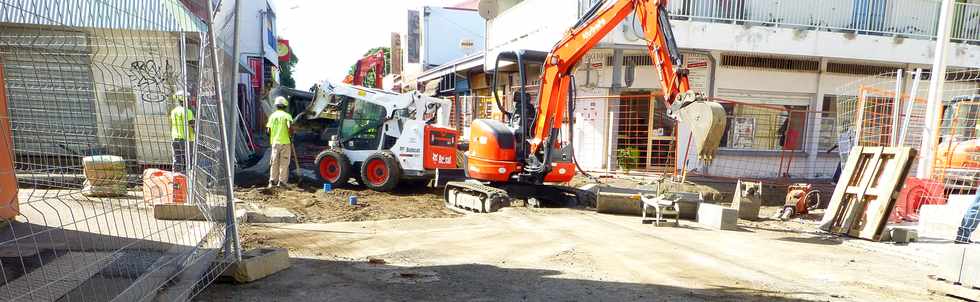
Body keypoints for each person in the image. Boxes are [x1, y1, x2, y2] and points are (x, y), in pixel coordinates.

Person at [267, 96, 294, 188]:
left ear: (276, 106)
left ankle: (272, 182)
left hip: (275, 143)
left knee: (274, 162)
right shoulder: (287, 116)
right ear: (285, 106)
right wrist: (291, 136)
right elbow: (290, 127)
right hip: (285, 142)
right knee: (284, 163)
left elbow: (268, 131)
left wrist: (273, 137)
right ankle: (282, 182)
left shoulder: (272, 116)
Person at [170, 91, 194, 173]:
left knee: (177, 160)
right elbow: (192, 125)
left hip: (175, 139)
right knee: (188, 161)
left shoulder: (173, 111)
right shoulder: (188, 112)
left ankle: (176, 178)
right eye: (188, 99)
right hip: (186, 140)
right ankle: (187, 179)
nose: (189, 101)